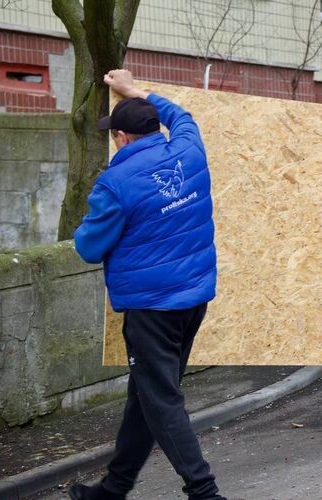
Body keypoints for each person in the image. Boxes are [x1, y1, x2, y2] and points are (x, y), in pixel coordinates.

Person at [70, 69, 224, 499]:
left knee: (161, 402)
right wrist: (138, 91)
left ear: (121, 137)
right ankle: (114, 489)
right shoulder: (190, 149)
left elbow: (87, 246)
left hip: (151, 309)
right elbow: (184, 115)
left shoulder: (115, 184)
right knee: (147, 396)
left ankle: (205, 492)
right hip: (193, 299)